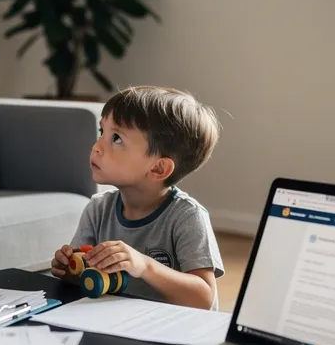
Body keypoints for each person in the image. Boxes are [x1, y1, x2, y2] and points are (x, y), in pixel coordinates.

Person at [50, 86, 225, 310]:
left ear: (159, 168)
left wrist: (144, 266)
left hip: (172, 331)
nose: (96, 147)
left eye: (116, 138)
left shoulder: (187, 216)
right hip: (117, 324)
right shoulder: (98, 209)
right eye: (101, 132)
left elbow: (203, 298)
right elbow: (86, 278)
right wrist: (68, 269)